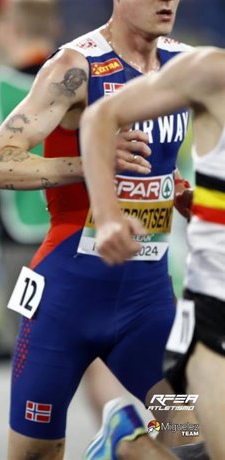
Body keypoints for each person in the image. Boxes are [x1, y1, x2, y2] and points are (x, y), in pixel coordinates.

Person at [0, 0, 194, 457]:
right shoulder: (75, 66)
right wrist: (92, 162)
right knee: (35, 454)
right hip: (66, 297)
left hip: (146, 299)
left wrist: (190, 198)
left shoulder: (186, 66)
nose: (167, 1)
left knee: (199, 437)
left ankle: (122, 444)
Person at [80, 46, 225, 460]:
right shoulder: (211, 70)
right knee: (191, 437)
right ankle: (129, 442)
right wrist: (108, 215)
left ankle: (131, 444)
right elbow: (100, 116)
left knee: (188, 444)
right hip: (214, 316)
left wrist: (210, 201)